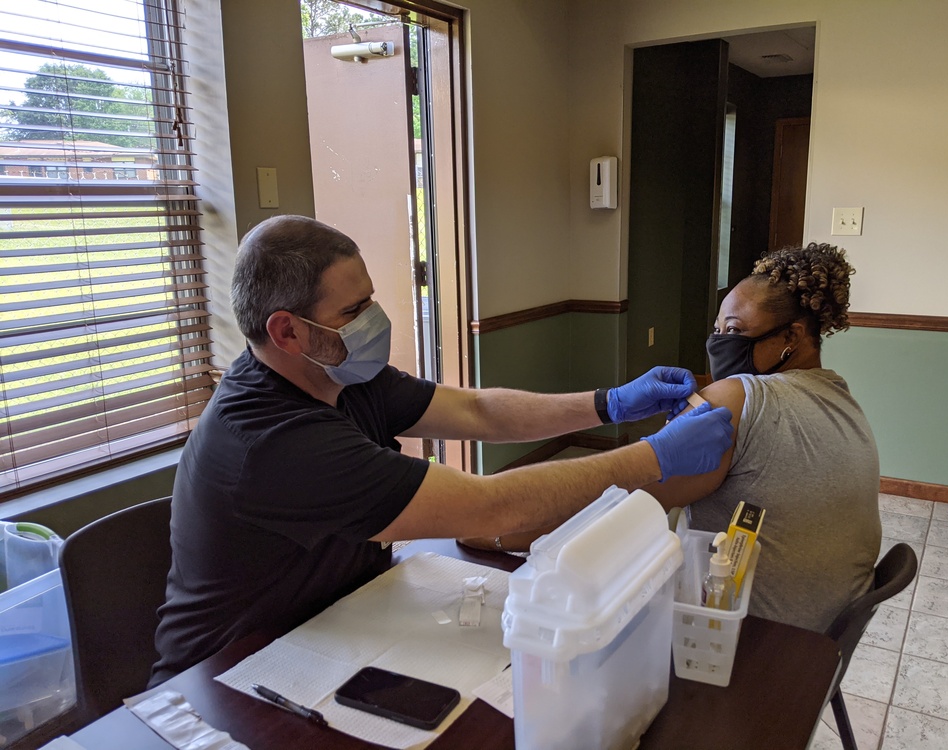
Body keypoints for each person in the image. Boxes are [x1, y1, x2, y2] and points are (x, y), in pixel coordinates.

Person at [150, 215, 734, 684]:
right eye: (354, 312)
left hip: (339, 623)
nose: (374, 321)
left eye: (369, 301)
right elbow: (492, 509)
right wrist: (653, 458)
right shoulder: (271, 442)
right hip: (232, 678)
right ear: (287, 333)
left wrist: (608, 404)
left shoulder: (343, 376)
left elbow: (476, 411)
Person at [469, 243, 881, 635]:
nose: (720, 342)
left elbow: (614, 512)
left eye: (734, 330)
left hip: (754, 642)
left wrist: (492, 529)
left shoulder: (734, 398)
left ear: (791, 337)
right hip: (824, 639)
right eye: (717, 329)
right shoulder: (841, 396)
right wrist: (611, 405)